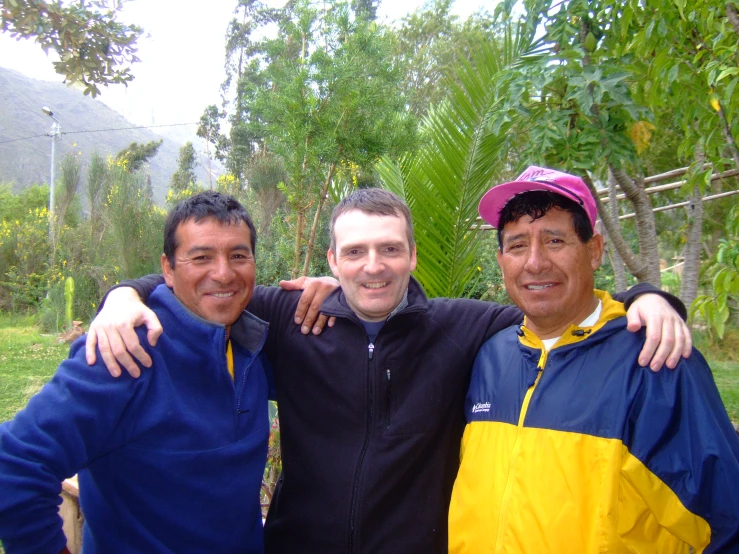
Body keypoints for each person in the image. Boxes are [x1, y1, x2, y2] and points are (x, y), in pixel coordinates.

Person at [88, 188, 692, 553]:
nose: (372, 267)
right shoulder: (292, 315)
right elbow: (198, 283)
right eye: (354, 252)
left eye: (389, 249)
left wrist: (647, 296)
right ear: (332, 259)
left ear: (412, 255)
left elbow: (557, 299)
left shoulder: (464, 326)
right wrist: (121, 294)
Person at [448, 166, 739, 553]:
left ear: (594, 250)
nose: (534, 263)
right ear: (501, 260)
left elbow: (727, 523)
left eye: (554, 240)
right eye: (517, 245)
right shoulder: (489, 357)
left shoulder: (654, 363)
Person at [0, 192, 275, 553]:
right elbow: (14, 466)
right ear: (167, 269)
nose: (223, 273)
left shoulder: (253, 343)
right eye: (201, 257)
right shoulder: (125, 351)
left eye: (238, 255)